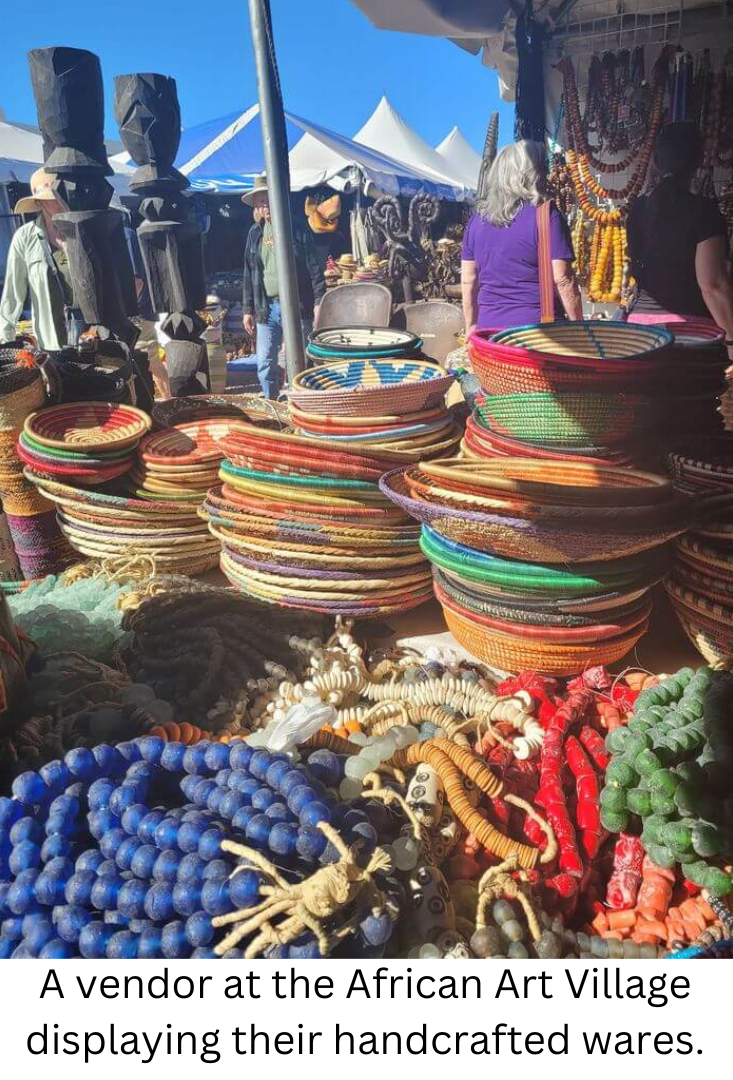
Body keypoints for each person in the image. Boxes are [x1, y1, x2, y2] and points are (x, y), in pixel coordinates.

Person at [626, 122, 733, 367]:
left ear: (656, 161)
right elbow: (713, 284)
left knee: (644, 404)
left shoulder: (639, 208)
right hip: (689, 333)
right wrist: (732, 342)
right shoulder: (704, 211)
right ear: (698, 161)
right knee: (691, 404)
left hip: (639, 331)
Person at [461, 141, 582, 332]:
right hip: (538, 334)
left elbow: (468, 280)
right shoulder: (547, 215)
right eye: (542, 168)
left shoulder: (476, 221)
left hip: (489, 334)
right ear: (531, 175)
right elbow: (563, 280)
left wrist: (471, 326)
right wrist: (580, 328)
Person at [242, 174, 326, 398]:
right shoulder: (255, 233)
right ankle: (272, 403)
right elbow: (249, 273)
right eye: (260, 201)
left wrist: (319, 300)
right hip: (266, 308)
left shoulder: (296, 227)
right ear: (257, 207)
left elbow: (313, 265)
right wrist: (247, 309)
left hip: (296, 306)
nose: (265, 205)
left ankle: (298, 404)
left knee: (297, 362)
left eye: (269, 199)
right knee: (264, 362)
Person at [0, 168, 83, 350]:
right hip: (51, 340)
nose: (60, 201)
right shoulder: (25, 237)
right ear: (39, 203)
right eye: (53, 197)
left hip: (91, 335)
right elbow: (13, 292)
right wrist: (6, 340)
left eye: (62, 195)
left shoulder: (82, 230)